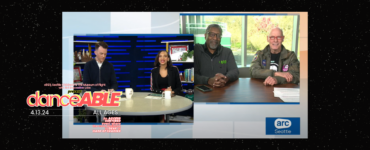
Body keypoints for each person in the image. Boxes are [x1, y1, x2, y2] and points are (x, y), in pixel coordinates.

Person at [82, 41, 119, 122]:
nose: (103, 56)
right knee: (90, 116)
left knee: (115, 115)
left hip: (107, 97)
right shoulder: (88, 65)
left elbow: (114, 83)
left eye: (105, 54)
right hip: (92, 96)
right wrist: (98, 92)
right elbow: (85, 85)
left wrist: (112, 89)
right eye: (101, 53)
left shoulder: (110, 66)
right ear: (95, 52)